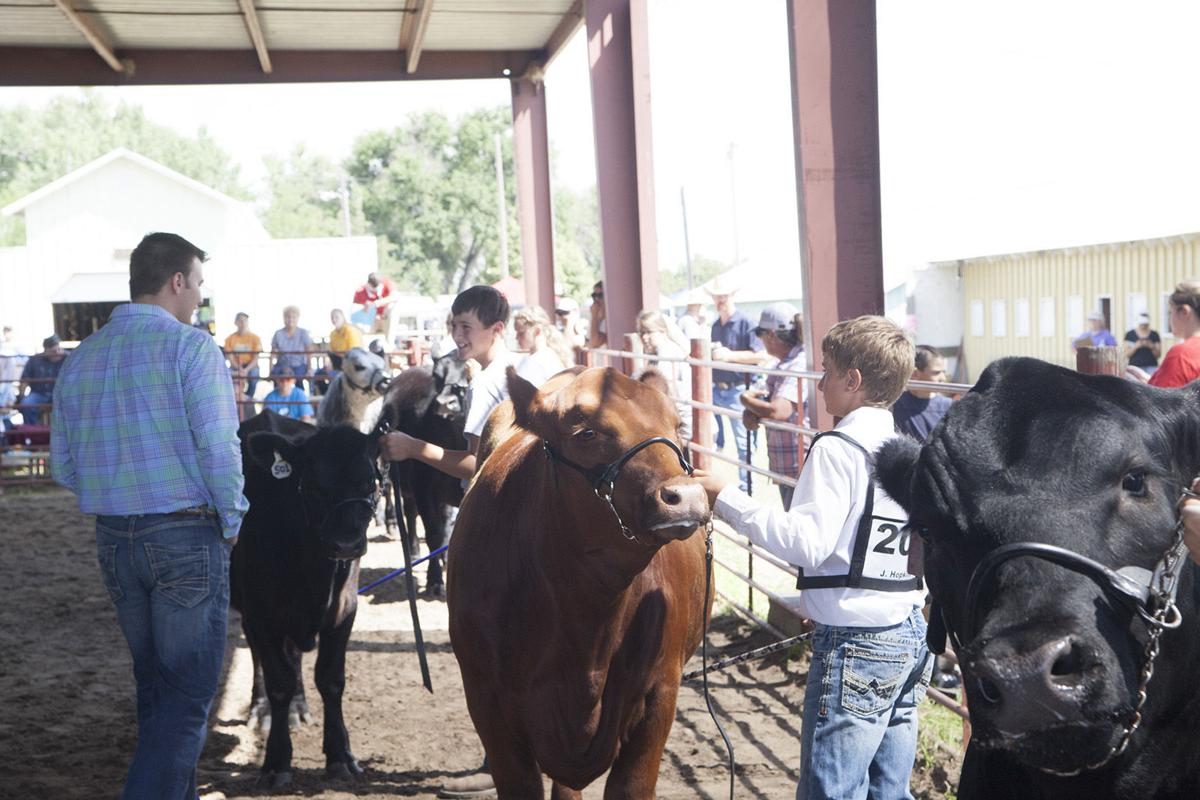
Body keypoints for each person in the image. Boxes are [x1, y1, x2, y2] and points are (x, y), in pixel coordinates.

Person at [695, 315, 929, 800]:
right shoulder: (910, 450)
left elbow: (806, 543)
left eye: (827, 371)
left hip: (858, 639)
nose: (819, 383)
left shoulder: (838, 449)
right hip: (908, 631)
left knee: (832, 792)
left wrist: (725, 499)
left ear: (853, 380)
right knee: (891, 790)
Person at [50, 232, 246, 800]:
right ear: (177, 281)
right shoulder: (192, 349)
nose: (199, 300)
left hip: (113, 536)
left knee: (157, 688)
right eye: (198, 286)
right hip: (184, 532)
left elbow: (63, 465)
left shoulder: (82, 357)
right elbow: (219, 449)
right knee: (186, 700)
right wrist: (231, 519)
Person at [377, 284, 514, 799]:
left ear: (495, 330)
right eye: (453, 326)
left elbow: (482, 466)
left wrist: (414, 448)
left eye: (466, 328)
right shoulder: (527, 368)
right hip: (532, 522)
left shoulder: (489, 385)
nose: (457, 337)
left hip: (499, 526)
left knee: (488, 648)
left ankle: (501, 760)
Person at [739, 303, 806, 508]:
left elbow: (778, 411)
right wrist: (753, 411)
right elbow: (769, 406)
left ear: (771, 335)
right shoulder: (783, 364)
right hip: (789, 462)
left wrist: (746, 400)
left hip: (800, 465)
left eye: (761, 335)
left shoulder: (798, 363)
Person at [707, 274, 767, 492]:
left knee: (744, 444)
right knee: (715, 439)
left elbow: (761, 356)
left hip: (738, 389)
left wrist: (729, 356)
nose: (719, 299)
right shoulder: (716, 325)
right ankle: (742, 487)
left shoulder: (746, 323)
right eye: (716, 295)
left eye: (723, 295)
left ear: (732, 295)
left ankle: (747, 489)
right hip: (719, 388)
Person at [636, 309, 693, 441]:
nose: (644, 337)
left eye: (649, 332)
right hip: (677, 422)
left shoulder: (668, 353)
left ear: (663, 331)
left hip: (685, 425)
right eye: (642, 333)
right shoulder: (654, 355)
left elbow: (657, 391)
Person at [1141, 280, 1200, 388]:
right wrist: (1153, 381)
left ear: (1184, 311)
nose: (1169, 319)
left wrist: (1145, 390)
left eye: (1170, 312)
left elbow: (1159, 403)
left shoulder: (1182, 354)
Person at [892, 345, 952, 442]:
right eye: (936, 373)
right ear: (915, 373)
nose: (943, 378)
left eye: (943, 372)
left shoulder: (948, 406)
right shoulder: (895, 404)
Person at [513, 306, 573, 387]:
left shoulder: (537, 362)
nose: (516, 337)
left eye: (521, 333)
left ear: (537, 331)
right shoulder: (551, 355)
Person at [17, 334, 67, 425]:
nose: (57, 352)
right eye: (53, 351)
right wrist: (21, 397)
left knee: (72, 404)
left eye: (59, 349)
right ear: (46, 350)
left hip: (62, 393)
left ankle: (66, 435)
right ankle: (32, 433)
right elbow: (25, 380)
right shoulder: (35, 360)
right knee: (26, 404)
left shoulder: (68, 358)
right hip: (38, 394)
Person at [223, 312, 262, 422]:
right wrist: (238, 369)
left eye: (244, 320)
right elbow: (230, 357)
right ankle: (232, 397)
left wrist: (246, 369)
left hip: (250, 366)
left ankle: (247, 398)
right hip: (236, 366)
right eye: (240, 320)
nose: (242, 323)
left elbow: (256, 358)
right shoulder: (230, 338)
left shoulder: (255, 338)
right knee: (227, 376)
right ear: (236, 323)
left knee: (254, 376)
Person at [270, 305, 313, 392]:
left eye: (294, 317)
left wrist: (309, 369)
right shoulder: (278, 333)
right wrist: (270, 370)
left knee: (298, 379)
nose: (290, 319)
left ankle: (300, 401)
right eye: (288, 317)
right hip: (282, 364)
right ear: (284, 318)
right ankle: (277, 403)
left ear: (298, 318)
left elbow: (309, 353)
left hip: (299, 365)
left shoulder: (303, 333)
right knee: (278, 377)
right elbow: (273, 354)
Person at [0, 324, 27, 431]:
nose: (7, 334)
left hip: (11, 377)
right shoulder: (2, 345)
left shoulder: (17, 346)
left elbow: (24, 358)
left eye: (9, 332)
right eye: (5, 332)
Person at [587, 280, 607, 349]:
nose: (596, 298)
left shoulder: (608, 321)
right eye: (594, 295)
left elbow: (594, 342)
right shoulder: (597, 320)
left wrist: (594, 315)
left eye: (600, 295)